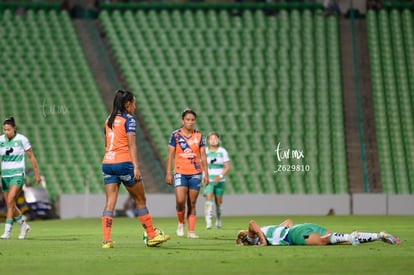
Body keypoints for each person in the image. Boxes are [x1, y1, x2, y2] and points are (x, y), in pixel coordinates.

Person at [101, 89, 170, 248]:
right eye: (134, 104)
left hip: (107, 163)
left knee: (110, 202)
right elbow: (132, 145)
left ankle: (106, 240)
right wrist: (136, 167)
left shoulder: (108, 120)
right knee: (140, 200)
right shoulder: (129, 120)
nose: (135, 107)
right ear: (128, 104)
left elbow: (106, 144)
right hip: (124, 163)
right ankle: (152, 235)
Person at [166, 108, 209, 238]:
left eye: (192, 120)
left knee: (192, 202)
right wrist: (168, 173)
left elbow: (203, 156)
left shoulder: (199, 136)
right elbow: (170, 155)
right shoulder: (176, 135)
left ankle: (191, 231)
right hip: (180, 172)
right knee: (180, 201)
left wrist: (206, 173)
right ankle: (180, 223)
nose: (190, 122)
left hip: (195, 172)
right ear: (182, 120)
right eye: (187, 120)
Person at [0, 117, 41, 239]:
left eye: (8, 129)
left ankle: (7, 231)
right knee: (10, 204)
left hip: (17, 174)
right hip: (5, 175)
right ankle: (23, 225)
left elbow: (31, 157)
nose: (6, 132)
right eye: (4, 130)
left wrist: (37, 173)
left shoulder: (22, 139)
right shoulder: (1, 140)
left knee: (10, 200)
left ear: (14, 129)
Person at [236, 219, 401, 246]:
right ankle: (379, 236)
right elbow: (288, 221)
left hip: (294, 235)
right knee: (341, 241)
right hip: (303, 226)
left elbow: (251, 222)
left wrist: (263, 242)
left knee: (325, 241)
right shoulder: (269, 229)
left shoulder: (255, 237)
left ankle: (354, 235)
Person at [204, 132, 231, 229]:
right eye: (211, 138)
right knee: (208, 198)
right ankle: (208, 221)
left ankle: (218, 220)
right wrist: (204, 176)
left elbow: (227, 167)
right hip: (209, 180)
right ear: (208, 140)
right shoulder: (205, 152)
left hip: (220, 181)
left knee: (218, 201)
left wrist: (219, 176)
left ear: (218, 140)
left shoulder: (222, 151)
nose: (213, 140)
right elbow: (202, 166)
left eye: (215, 138)